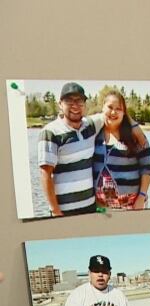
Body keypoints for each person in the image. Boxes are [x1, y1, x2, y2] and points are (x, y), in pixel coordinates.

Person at [38, 82, 104, 216]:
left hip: (90, 207)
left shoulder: (90, 125)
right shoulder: (50, 132)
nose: (75, 105)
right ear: (60, 104)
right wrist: (55, 211)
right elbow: (46, 175)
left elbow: (115, 111)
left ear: (84, 104)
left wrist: (140, 138)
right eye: (69, 101)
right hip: (64, 212)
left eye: (79, 101)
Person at [93, 90, 150, 210]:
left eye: (119, 109)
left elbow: (148, 167)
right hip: (102, 209)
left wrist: (141, 197)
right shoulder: (94, 134)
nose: (113, 112)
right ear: (103, 108)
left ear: (124, 112)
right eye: (110, 107)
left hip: (132, 206)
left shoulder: (135, 136)